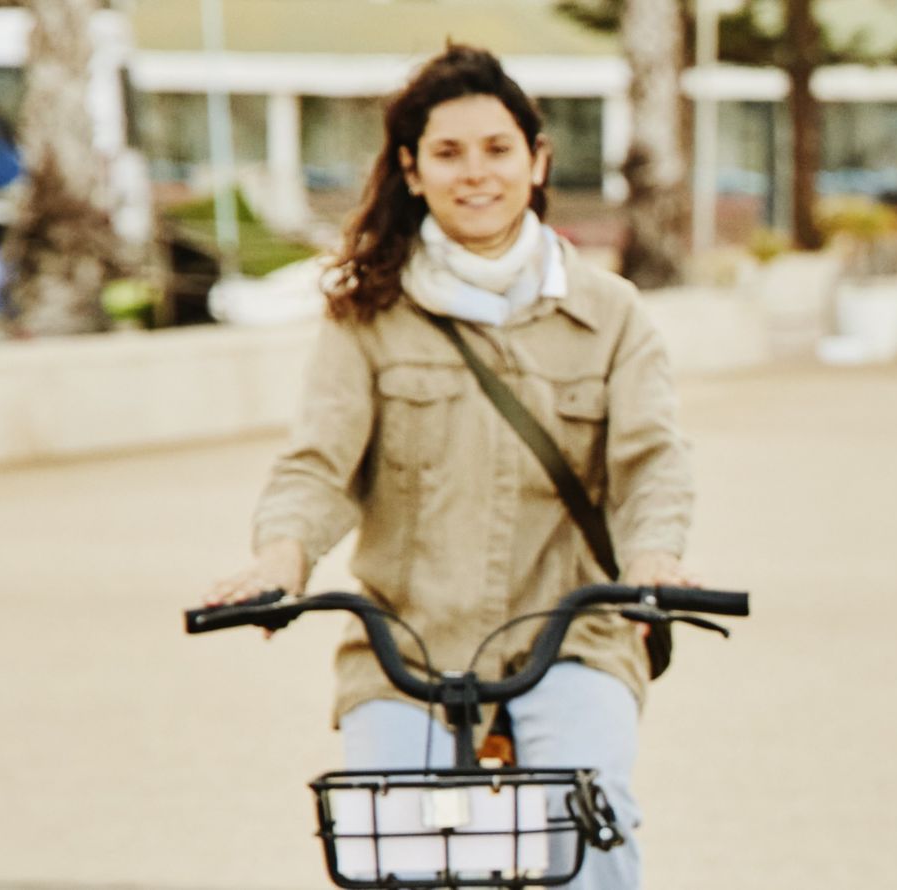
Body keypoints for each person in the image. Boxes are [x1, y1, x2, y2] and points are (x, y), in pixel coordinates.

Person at [200, 44, 696, 889]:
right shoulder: (366, 315)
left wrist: (654, 562)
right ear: (412, 169)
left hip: (571, 637)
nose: (476, 174)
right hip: (410, 644)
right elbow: (319, 465)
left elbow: (652, 462)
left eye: (498, 150)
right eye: (449, 153)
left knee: (591, 819)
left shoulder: (611, 313)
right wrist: (280, 560)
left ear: (538, 161)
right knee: (390, 840)